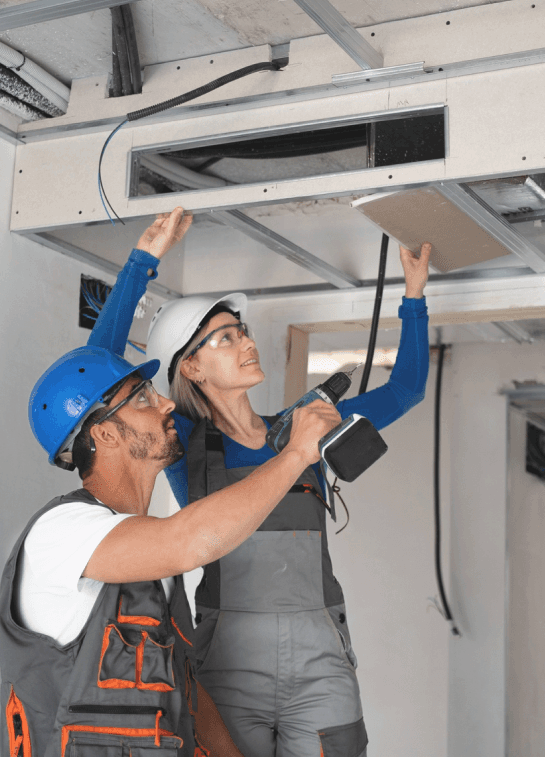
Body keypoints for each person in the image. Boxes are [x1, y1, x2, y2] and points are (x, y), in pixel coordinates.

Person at [88, 207, 432, 757]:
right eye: (225, 338)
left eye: (242, 331)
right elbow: (96, 376)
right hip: (229, 657)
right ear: (192, 367)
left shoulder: (304, 431)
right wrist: (141, 263)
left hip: (322, 652)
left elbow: (407, 389)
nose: (246, 342)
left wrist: (413, 298)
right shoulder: (184, 444)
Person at [0, 211, 344, 757]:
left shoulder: (150, 569)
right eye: (142, 399)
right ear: (103, 436)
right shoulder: (61, 532)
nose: (165, 402)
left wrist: (142, 261)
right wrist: (297, 452)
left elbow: (187, 690)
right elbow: (191, 540)